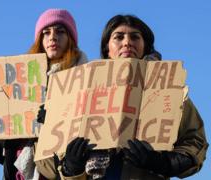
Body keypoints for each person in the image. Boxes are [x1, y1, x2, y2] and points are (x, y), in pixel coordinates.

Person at [41, 15, 208, 180]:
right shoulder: (83, 92)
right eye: (119, 37)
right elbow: (52, 168)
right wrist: (72, 168)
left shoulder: (167, 89)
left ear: (146, 45)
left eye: (135, 37)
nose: (127, 42)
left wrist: (163, 163)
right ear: (107, 48)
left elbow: (195, 141)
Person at [0, 8, 87, 180]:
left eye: (60, 31)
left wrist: (55, 122)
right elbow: (14, 152)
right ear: (40, 40)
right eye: (46, 33)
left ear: (71, 39)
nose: (52, 37)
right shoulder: (21, 81)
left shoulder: (84, 79)